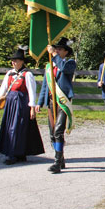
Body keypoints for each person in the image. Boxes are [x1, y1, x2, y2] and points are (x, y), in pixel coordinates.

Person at [0, 48, 44, 165]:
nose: (14, 62)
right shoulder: (9, 74)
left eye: (16, 60)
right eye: (13, 60)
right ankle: (15, 153)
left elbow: (32, 91)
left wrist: (32, 107)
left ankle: (15, 154)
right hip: (11, 103)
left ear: (22, 61)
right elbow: (3, 89)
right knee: (9, 128)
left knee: (17, 128)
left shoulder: (27, 74)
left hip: (21, 104)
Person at [35, 37, 76, 174]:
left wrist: (53, 55)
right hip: (52, 102)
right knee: (52, 133)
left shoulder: (70, 63)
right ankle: (61, 158)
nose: (57, 51)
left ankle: (57, 162)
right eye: (56, 49)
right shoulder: (49, 67)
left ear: (65, 52)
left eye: (59, 49)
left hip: (62, 102)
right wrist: (40, 102)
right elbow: (46, 86)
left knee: (58, 131)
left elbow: (64, 69)